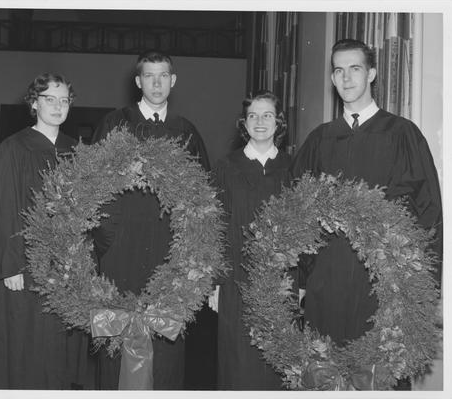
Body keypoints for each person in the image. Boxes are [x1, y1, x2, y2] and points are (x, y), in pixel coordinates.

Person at [290, 39, 442, 388]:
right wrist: (303, 280)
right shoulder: (319, 140)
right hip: (326, 282)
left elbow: (428, 212)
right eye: (338, 70)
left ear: (371, 73)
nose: (346, 78)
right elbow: (297, 215)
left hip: (381, 286)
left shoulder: (402, 135)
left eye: (354, 68)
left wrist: (420, 291)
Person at [91, 50, 210, 390]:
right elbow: (93, 188)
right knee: (116, 341)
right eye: (149, 76)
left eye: (163, 76)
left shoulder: (186, 131)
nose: (156, 83)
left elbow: (204, 200)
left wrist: (192, 254)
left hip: (169, 251)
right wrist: (108, 238)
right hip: (121, 250)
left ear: (172, 81)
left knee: (167, 347)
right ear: (138, 81)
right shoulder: (115, 124)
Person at [0, 73, 94, 389]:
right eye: (49, 99)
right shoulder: (13, 149)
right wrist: (10, 265)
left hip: (67, 270)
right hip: (24, 269)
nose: (57, 106)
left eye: (64, 100)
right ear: (33, 103)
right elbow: (4, 207)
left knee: (59, 350)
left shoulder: (77, 150)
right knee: (25, 349)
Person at [213, 91, 291, 390]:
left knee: (274, 361)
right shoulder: (225, 167)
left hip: (279, 281)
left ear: (278, 122)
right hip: (235, 279)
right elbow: (214, 227)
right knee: (237, 361)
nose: (260, 122)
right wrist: (216, 283)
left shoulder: (291, 168)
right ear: (243, 124)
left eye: (267, 115)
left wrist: (297, 283)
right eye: (253, 116)